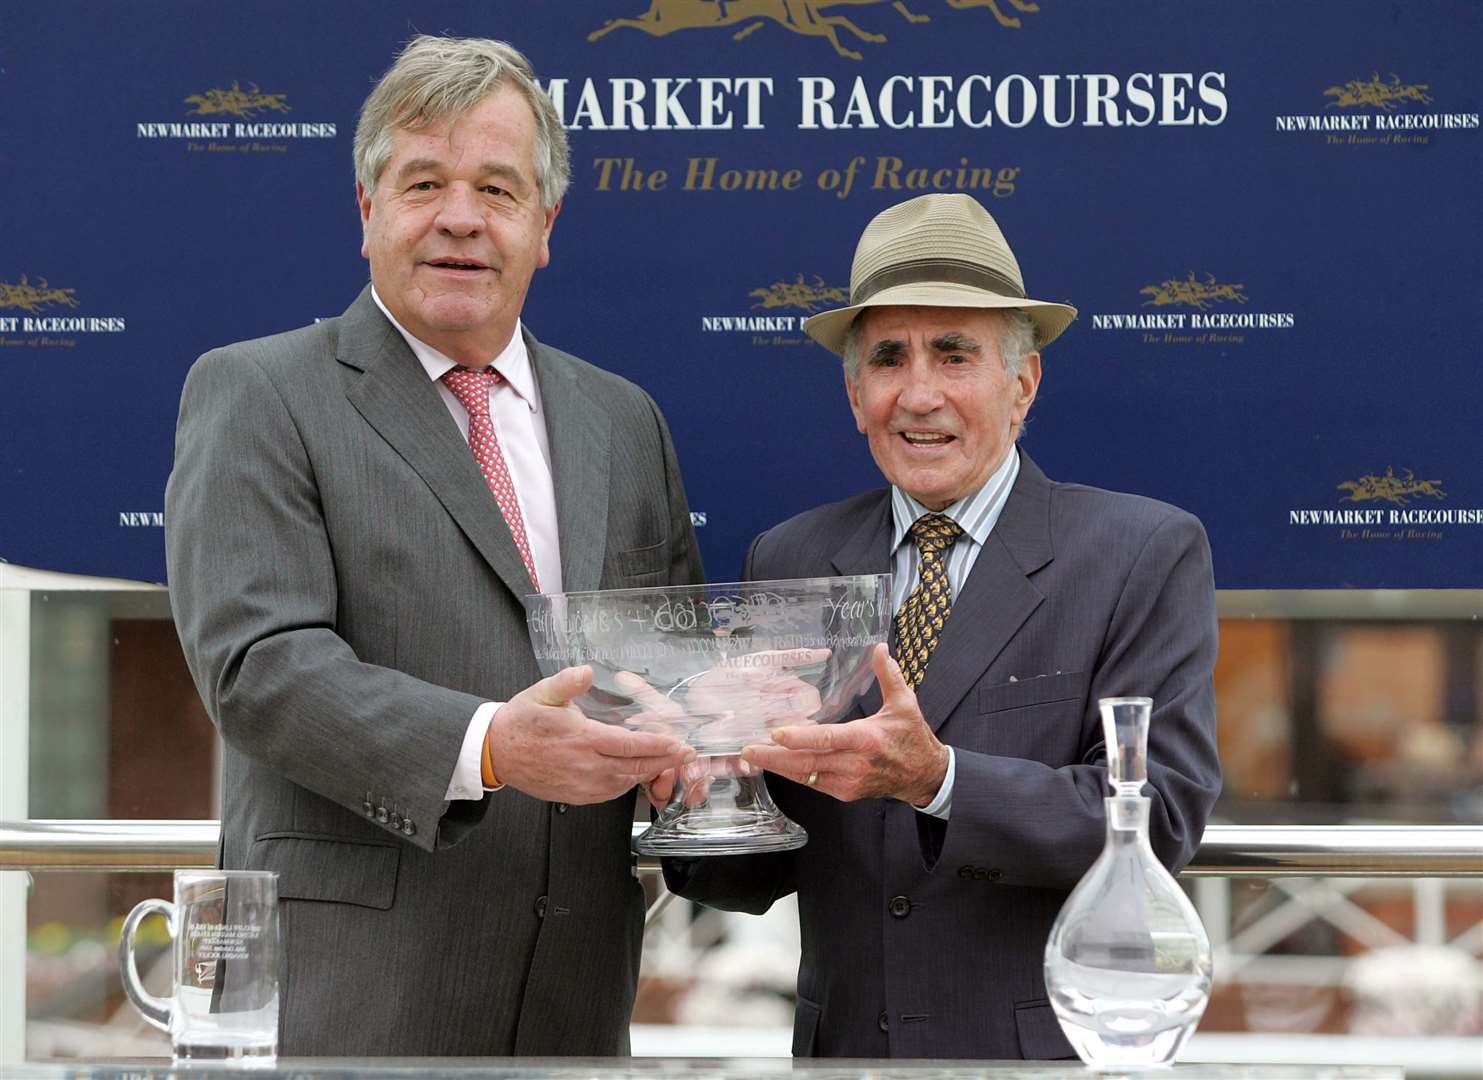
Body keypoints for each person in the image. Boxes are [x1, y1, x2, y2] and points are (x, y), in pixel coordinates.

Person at [165, 35, 703, 1057]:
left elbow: (659, 662)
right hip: (351, 1006)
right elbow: (257, 668)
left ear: (545, 226)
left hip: (574, 1009)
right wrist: (493, 745)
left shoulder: (624, 422)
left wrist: (697, 733)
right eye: (424, 182)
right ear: (367, 213)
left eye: (498, 189)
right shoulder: (260, 394)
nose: (461, 215)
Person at [664, 193, 1221, 1059]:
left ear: (1021, 384)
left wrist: (939, 780)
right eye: (889, 359)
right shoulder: (790, 557)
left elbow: (1156, 819)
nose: (918, 394)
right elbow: (744, 875)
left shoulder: (1139, 552)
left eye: (953, 354)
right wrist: (698, 780)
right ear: (856, 395)